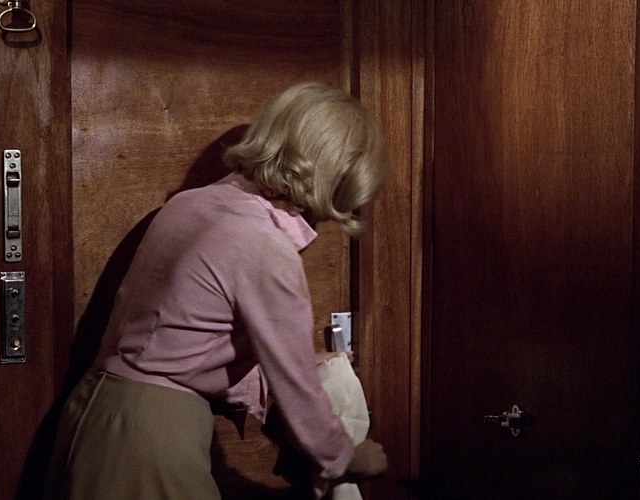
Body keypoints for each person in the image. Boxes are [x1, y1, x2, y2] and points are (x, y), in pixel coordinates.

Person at [45, 82, 388, 499]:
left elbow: (185, 335)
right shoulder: (264, 245)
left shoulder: (188, 205)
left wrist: (295, 358)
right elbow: (297, 394)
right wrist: (348, 456)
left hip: (93, 413)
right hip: (153, 437)